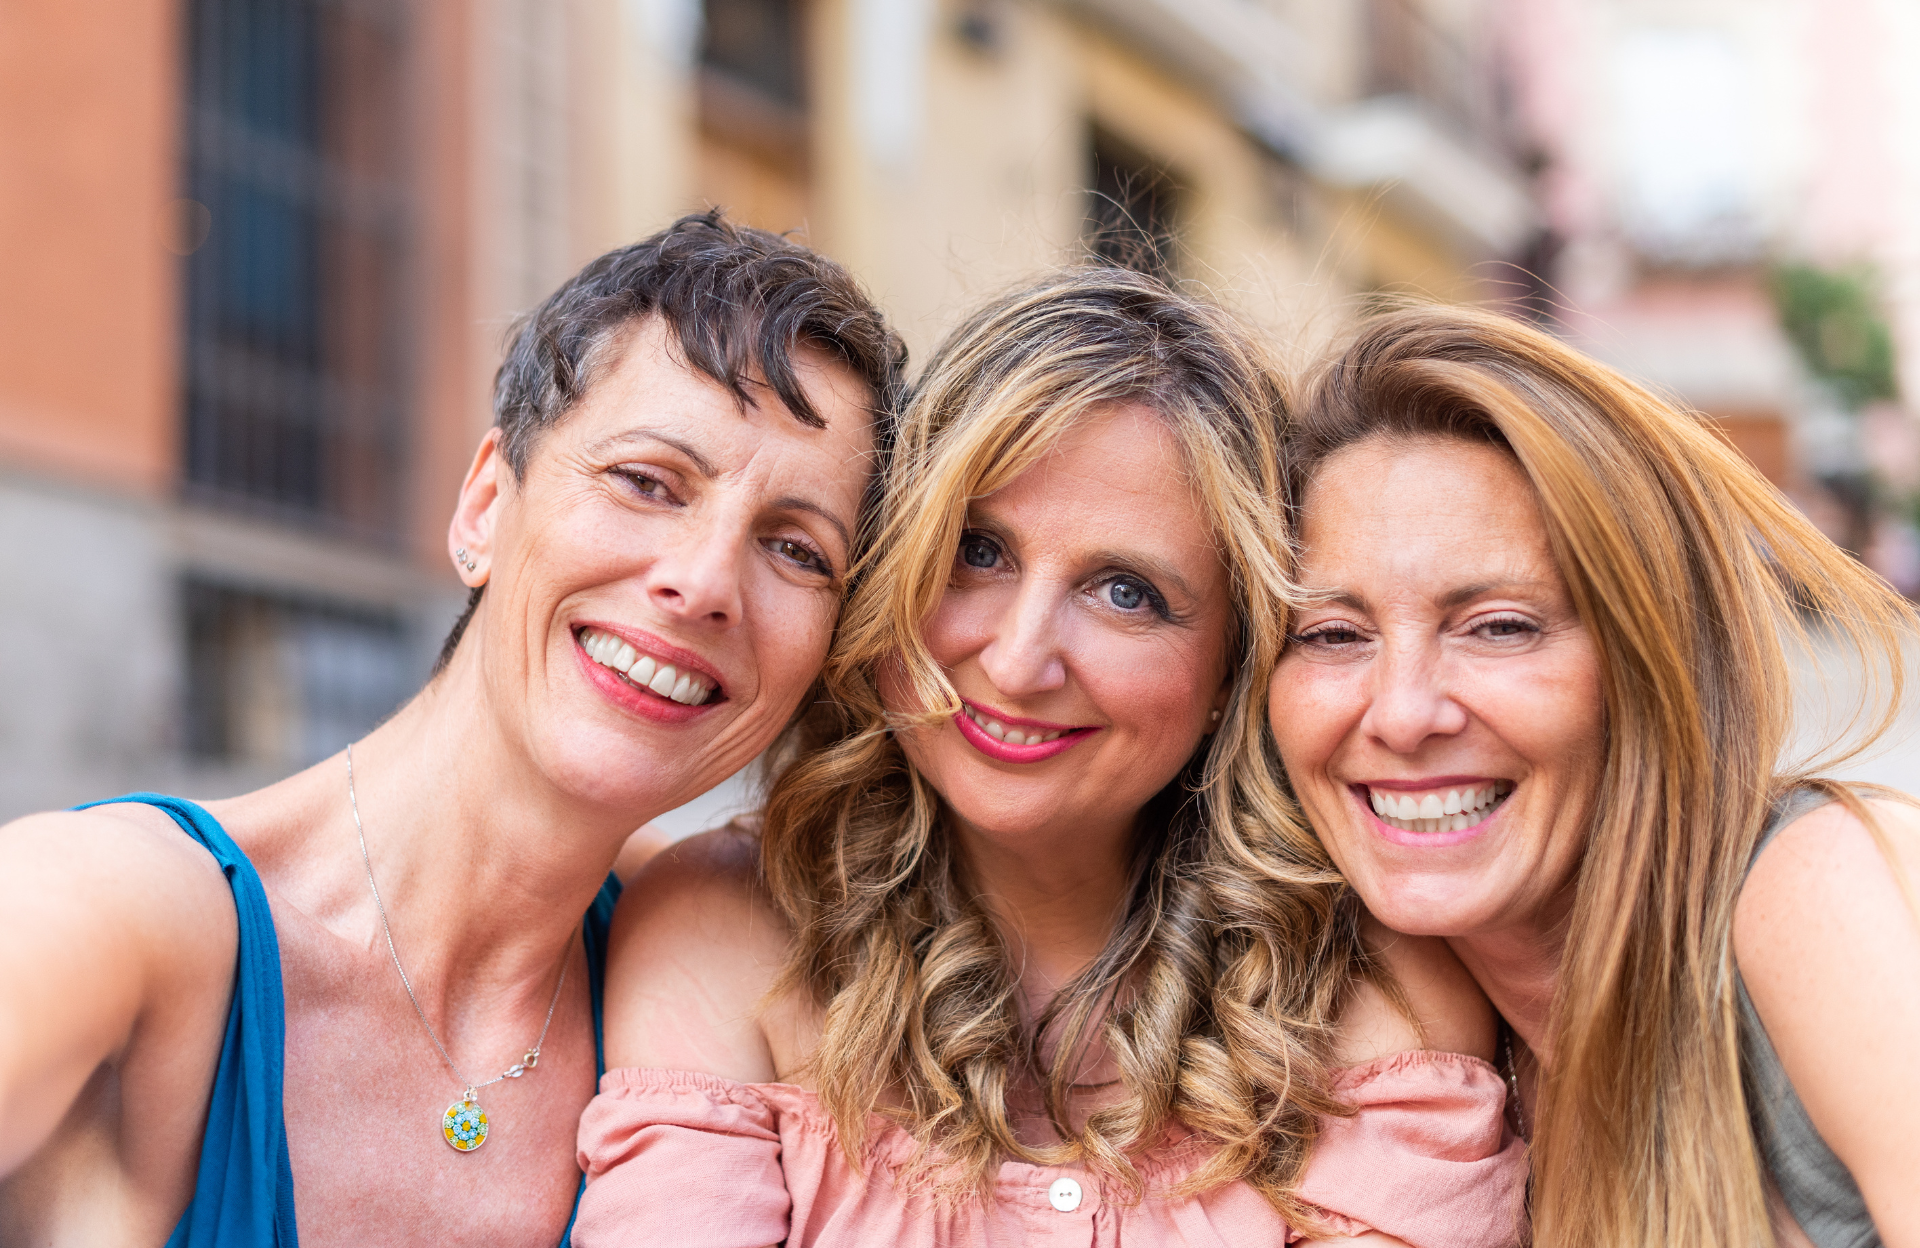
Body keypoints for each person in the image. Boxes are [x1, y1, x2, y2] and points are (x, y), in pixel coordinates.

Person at [0, 212, 905, 1247]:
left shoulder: (717, 972)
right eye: (647, 481)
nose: (702, 583)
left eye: (795, 549)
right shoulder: (118, 914)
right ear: (484, 505)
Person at [573, 270, 1526, 1248]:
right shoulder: (716, 926)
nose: (1021, 659)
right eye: (978, 550)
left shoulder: (1377, 979)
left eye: (1125, 592)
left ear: (1231, 667)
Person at [1268, 304, 1920, 1248]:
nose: (1404, 714)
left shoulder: (1815, 891)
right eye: (1333, 635)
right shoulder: (1422, 1046)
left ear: (1647, 660)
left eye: (1499, 626)